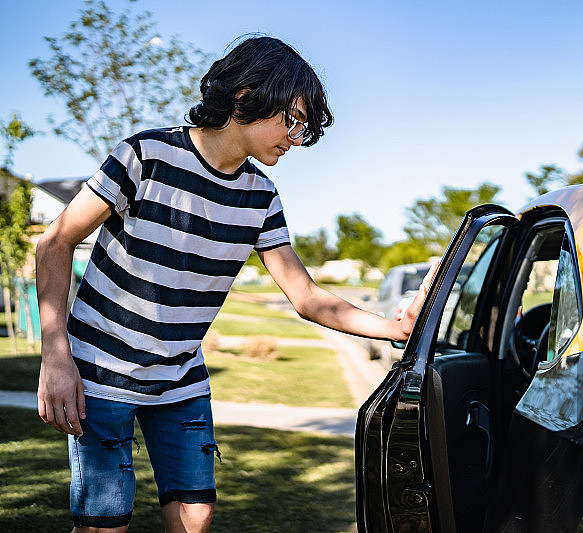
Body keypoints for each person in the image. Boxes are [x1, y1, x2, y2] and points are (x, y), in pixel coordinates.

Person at [36, 35, 435, 533]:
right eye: (292, 120)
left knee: (196, 519)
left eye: (304, 128)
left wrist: (395, 329)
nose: (296, 138)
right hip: (100, 373)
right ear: (247, 95)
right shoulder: (145, 156)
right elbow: (54, 242)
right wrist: (55, 355)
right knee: (103, 527)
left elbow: (307, 297)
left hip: (181, 380)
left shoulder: (261, 197)